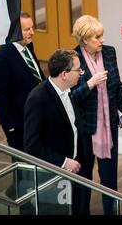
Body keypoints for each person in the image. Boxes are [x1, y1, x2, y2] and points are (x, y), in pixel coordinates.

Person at [71, 15, 122, 215]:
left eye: (102, 35)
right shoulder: (73, 59)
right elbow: (70, 97)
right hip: (86, 127)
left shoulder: (110, 53)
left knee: (110, 178)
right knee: (84, 177)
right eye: (97, 37)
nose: (102, 40)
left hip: (109, 124)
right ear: (85, 39)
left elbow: (117, 84)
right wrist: (90, 83)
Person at [23, 50, 83, 214]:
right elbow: (32, 145)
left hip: (74, 169)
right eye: (78, 70)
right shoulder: (38, 98)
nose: (81, 73)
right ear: (64, 74)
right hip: (52, 174)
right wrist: (63, 162)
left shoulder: (67, 92)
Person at [0, 11, 45, 151]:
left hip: (39, 118)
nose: (32, 32)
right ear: (14, 30)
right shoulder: (2, 57)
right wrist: (11, 128)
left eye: (32, 27)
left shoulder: (28, 46)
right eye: (27, 29)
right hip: (20, 126)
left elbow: (37, 77)